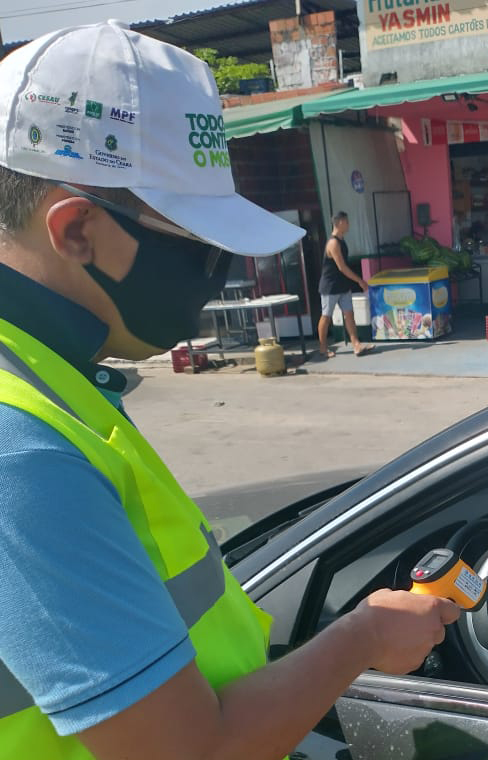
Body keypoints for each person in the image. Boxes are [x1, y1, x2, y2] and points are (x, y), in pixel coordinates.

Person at [0, 22, 459, 760]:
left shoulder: (51, 376)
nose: (218, 276)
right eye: (195, 248)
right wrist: (364, 635)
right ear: (77, 230)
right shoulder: (16, 447)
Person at [317, 211, 374, 358]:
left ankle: (356, 345)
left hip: (343, 285)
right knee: (326, 316)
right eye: (347, 222)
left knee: (349, 314)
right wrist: (360, 280)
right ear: (340, 223)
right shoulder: (333, 243)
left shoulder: (342, 240)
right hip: (330, 287)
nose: (348, 225)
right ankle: (323, 348)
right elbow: (342, 267)